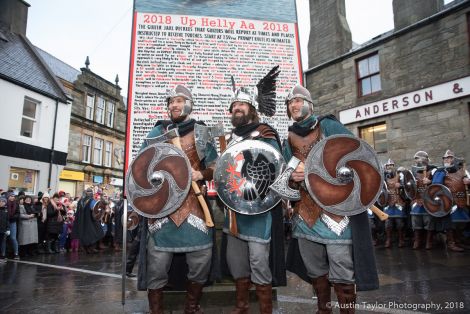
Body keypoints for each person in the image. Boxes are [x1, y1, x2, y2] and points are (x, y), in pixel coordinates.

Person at [283, 85, 378, 313]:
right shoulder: (290, 137)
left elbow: (355, 156)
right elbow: (288, 173)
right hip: (305, 212)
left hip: (335, 209)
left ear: (310, 105)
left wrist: (313, 170)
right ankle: (323, 310)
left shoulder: (329, 125)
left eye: (298, 100)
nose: (294, 105)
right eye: (290, 103)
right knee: (316, 271)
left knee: (342, 270)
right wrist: (293, 177)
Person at [136, 85, 218, 314]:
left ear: (189, 104)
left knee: (202, 257)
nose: (174, 105)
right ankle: (156, 310)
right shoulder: (156, 133)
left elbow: (215, 165)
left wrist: (201, 174)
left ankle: (191, 307)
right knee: (157, 263)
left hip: (194, 202)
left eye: (180, 100)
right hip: (162, 206)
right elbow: (140, 166)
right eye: (171, 101)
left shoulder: (201, 132)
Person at [220, 78, 286, 314]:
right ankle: (242, 306)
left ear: (252, 110)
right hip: (234, 211)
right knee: (236, 263)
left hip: (258, 208)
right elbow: (224, 172)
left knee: (259, 261)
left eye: (242, 105)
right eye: (234, 106)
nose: (237, 108)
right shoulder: (228, 139)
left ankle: (265, 310)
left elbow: (277, 165)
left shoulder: (265, 133)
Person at [431, 150, 469, 252]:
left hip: (462, 200)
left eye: (450, 157)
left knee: (462, 223)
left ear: (453, 159)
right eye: (445, 158)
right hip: (449, 202)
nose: (448, 159)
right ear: (443, 160)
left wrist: (468, 181)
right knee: (450, 224)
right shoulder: (441, 171)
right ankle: (451, 243)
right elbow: (435, 187)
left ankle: (459, 241)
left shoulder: (462, 171)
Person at [410, 151, 435, 249]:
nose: (417, 161)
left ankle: (429, 241)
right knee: (416, 221)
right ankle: (417, 240)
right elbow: (407, 186)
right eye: (416, 159)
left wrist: (430, 181)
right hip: (417, 200)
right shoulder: (412, 172)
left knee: (428, 221)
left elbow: (439, 185)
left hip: (429, 200)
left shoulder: (433, 171)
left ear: (425, 159)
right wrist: (411, 184)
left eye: (419, 158)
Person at [382, 159, 407, 248]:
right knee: (388, 223)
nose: (389, 167)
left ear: (394, 166)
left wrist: (401, 186)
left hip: (398, 201)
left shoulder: (400, 176)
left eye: (391, 165)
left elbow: (409, 186)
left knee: (399, 223)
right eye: (388, 165)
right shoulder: (384, 177)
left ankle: (401, 239)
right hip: (388, 202)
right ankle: (388, 240)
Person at [72, 188, 105, 254]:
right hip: (90, 220)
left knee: (84, 234)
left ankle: (86, 248)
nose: (90, 193)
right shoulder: (91, 200)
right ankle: (90, 248)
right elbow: (94, 208)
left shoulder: (80, 201)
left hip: (81, 221)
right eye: (90, 192)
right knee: (97, 231)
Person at [6, 193, 20, 259]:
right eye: (11, 196)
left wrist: (13, 217)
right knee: (4, 238)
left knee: (13, 238)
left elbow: (18, 213)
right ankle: (4, 253)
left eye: (13, 196)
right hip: (5, 222)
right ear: (8, 197)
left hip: (13, 222)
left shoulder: (16, 204)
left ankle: (16, 253)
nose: (12, 197)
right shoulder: (4, 203)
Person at [0, 196, 10, 261]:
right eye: (0, 201)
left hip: (3, 229)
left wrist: (8, 228)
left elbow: (7, 220)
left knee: (2, 243)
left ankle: (2, 256)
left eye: (3, 201)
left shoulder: (6, 210)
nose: (1, 202)